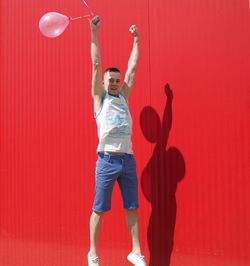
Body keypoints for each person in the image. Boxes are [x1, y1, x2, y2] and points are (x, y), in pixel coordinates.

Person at [88, 16, 146, 266]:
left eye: (116, 80)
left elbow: (132, 69)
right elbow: (96, 63)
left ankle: (135, 251)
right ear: (103, 83)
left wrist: (136, 40)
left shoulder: (123, 96)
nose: (114, 83)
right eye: (110, 80)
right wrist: (94, 34)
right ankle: (92, 253)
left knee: (132, 206)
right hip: (107, 161)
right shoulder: (100, 99)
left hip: (128, 161)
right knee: (99, 209)